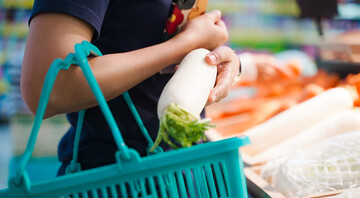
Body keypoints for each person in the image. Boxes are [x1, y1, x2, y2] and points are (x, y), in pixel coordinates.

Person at [20, 0, 294, 175]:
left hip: (183, 185)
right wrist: (184, 45)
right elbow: (48, 88)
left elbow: (149, 63)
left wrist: (215, 61)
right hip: (111, 195)